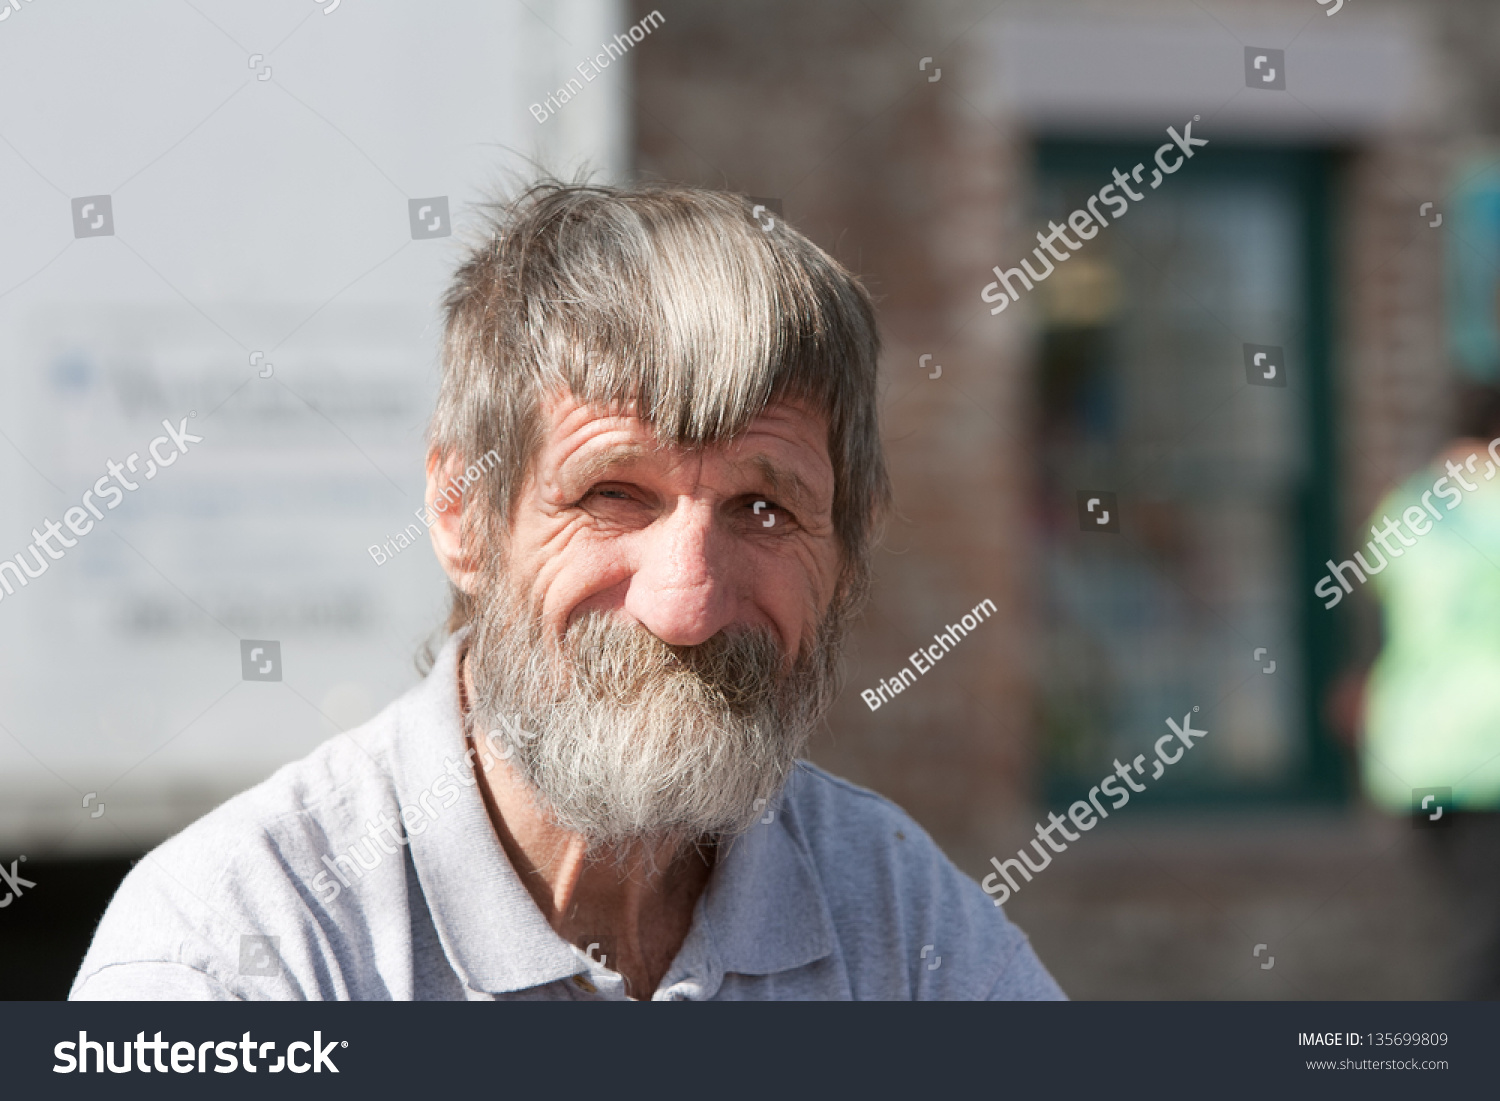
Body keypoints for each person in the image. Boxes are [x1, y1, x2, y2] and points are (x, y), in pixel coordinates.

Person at [71, 181, 1062, 1001]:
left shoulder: (898, 916)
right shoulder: (237, 951)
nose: (688, 605)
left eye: (763, 509)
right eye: (613, 494)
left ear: (847, 546)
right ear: (463, 515)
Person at [1352, 383, 1500, 998]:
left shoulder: (1409, 506)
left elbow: (1378, 606)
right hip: (1485, 750)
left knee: (1475, 925)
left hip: (1420, 755)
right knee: (1487, 944)